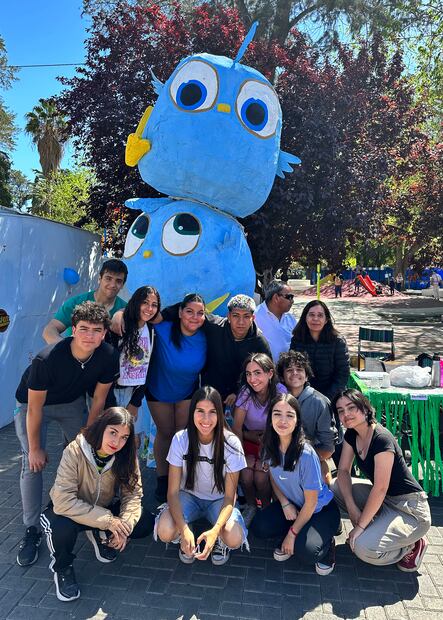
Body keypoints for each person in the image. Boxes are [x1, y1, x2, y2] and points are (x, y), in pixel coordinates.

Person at [14, 301, 120, 567]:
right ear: (72, 330)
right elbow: (35, 409)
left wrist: (89, 437)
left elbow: (98, 400)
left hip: (71, 404)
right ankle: (31, 530)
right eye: (83, 329)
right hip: (33, 406)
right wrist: (36, 448)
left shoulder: (107, 355)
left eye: (97, 330)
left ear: (104, 333)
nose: (89, 336)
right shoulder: (46, 359)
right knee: (32, 463)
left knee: (87, 457)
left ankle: (82, 515)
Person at [40, 407, 155, 602]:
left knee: (144, 522)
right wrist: (109, 521)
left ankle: (99, 534)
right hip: (70, 511)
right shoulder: (75, 450)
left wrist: (124, 526)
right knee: (59, 528)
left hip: (102, 509)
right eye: (113, 432)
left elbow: (133, 495)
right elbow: (62, 500)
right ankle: (62, 569)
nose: (117, 442)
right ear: (101, 426)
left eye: (124, 437)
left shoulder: (126, 454)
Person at [331, 389, 431, 571]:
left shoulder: (382, 439)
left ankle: (411, 545)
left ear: (365, 408)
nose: (345, 414)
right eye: (340, 411)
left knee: (363, 548)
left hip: (409, 508)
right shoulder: (352, 434)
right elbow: (343, 471)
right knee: (334, 487)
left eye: (351, 407)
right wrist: (352, 509)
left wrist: (360, 527)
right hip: (385, 500)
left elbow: (380, 488)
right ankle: (379, 526)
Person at [155, 386, 248, 566]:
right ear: (192, 413)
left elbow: (230, 496)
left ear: (220, 414)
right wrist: (182, 529)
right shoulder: (180, 439)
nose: (206, 419)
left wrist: (215, 531)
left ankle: (219, 540)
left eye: (212, 412)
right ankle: (187, 534)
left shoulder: (231, 443)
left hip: (219, 500)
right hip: (188, 497)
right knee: (165, 531)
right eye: (200, 411)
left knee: (234, 538)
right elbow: (172, 492)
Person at [250, 393, 340, 575]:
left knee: (306, 553)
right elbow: (273, 476)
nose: (283, 420)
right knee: (258, 528)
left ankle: (327, 540)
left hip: (319, 510)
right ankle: (298, 530)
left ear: (297, 420)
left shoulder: (306, 454)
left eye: (289, 415)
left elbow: (312, 503)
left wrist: (291, 535)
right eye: (277, 414)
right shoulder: (269, 445)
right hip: (295, 505)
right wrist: (284, 503)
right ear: (270, 418)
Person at [145, 293, 207, 502]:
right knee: (165, 432)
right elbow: (141, 312)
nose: (194, 317)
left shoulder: (207, 336)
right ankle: (163, 478)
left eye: (200, 313)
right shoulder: (163, 329)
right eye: (189, 311)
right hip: (158, 390)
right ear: (180, 312)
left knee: (181, 435)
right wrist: (118, 316)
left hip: (187, 392)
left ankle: (179, 477)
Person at [232, 353, 287, 525]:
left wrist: (269, 454)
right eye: (248, 374)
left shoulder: (280, 392)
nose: (252, 379)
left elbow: (284, 426)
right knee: (247, 475)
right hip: (248, 443)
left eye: (257, 373)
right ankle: (251, 506)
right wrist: (241, 458)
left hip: (272, 443)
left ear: (270, 373)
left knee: (261, 478)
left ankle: (265, 508)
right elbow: (237, 428)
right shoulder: (245, 394)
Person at [277, 351, 338, 483]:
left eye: (299, 369)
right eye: (289, 370)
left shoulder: (320, 402)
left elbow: (328, 447)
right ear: (282, 377)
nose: (294, 373)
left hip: (313, 456)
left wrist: (301, 460)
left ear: (306, 376)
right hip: (280, 456)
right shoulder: (277, 400)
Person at [43, 259, 128, 344]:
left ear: (123, 285)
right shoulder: (76, 303)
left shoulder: (125, 308)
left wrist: (121, 312)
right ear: (99, 279)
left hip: (109, 356)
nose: (113, 285)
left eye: (118, 281)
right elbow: (50, 330)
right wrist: (65, 349)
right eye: (108, 278)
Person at [110, 285, 160, 422]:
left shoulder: (152, 330)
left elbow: (148, 367)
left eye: (154, 305)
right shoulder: (119, 325)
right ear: (136, 302)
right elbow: (106, 364)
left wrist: (136, 402)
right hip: (111, 391)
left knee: (134, 438)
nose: (149, 309)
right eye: (145, 302)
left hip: (134, 394)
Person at [290, 300, 350, 401]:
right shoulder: (297, 339)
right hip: (303, 395)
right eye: (311, 315)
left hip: (332, 397)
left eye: (320, 315)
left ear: (326, 320)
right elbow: (293, 369)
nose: (315, 319)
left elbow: (342, 374)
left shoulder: (337, 342)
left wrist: (326, 399)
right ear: (305, 318)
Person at [254, 280, 296, 362]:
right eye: (289, 297)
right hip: (265, 372)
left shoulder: (291, 319)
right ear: (276, 298)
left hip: (287, 371)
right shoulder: (255, 317)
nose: (292, 301)